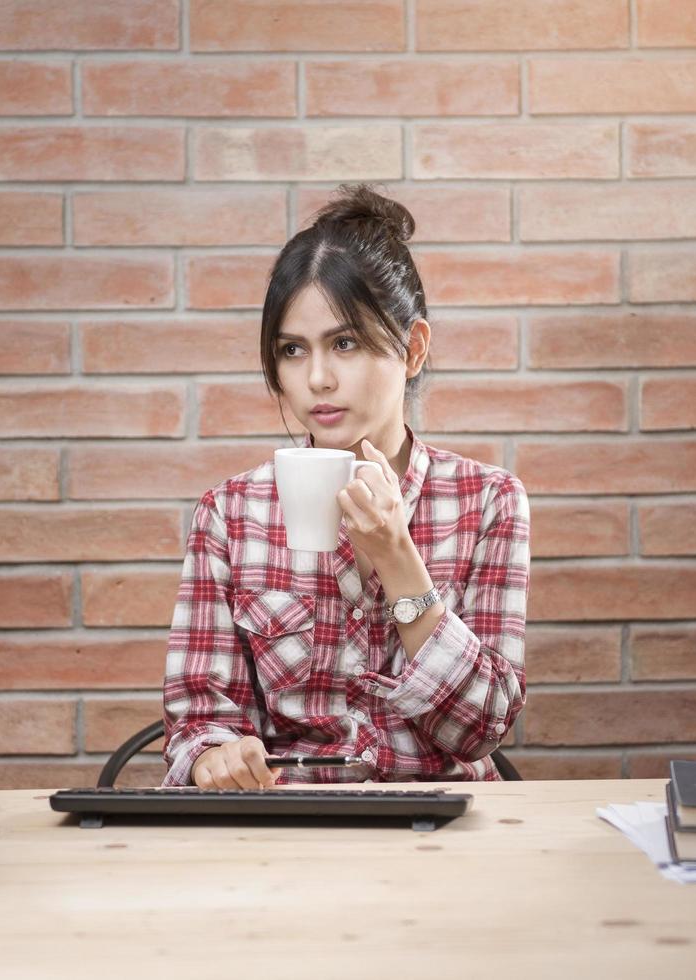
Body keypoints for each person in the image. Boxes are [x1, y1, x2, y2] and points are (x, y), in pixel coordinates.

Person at [161, 184, 531, 789]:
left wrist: (396, 553)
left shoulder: (487, 501)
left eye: (345, 343)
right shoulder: (232, 513)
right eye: (292, 350)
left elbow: (483, 727)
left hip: (436, 833)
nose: (317, 379)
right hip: (288, 833)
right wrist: (212, 756)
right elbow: (199, 717)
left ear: (412, 349)